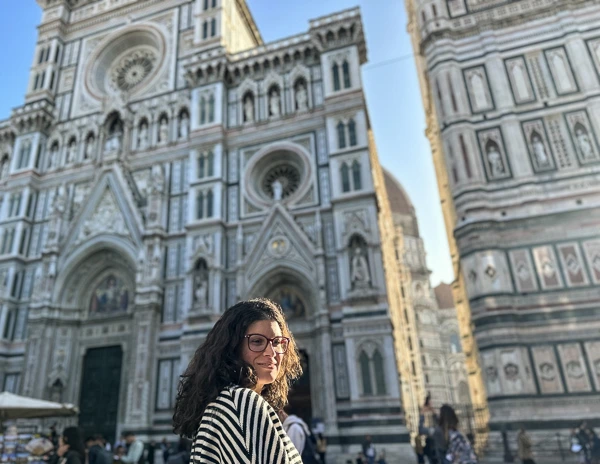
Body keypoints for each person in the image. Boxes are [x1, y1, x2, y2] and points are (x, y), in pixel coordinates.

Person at [173, 298, 303, 464]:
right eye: (257, 341)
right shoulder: (239, 402)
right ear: (233, 347)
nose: (272, 352)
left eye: (277, 342)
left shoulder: (225, 401)